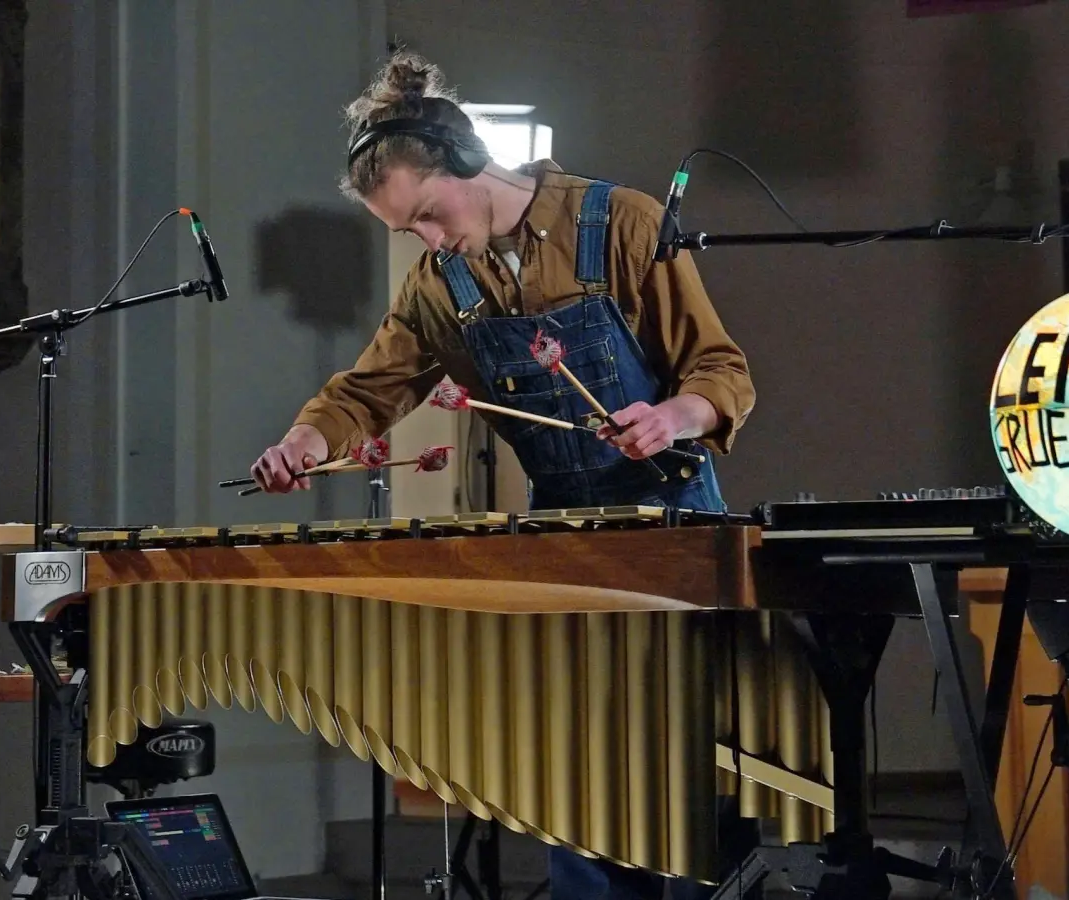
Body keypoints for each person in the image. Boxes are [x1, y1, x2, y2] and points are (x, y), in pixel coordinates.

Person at [249, 52, 759, 900]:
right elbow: (366, 392)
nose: (429, 239)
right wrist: (307, 440)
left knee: (685, 778)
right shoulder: (438, 285)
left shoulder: (622, 222)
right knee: (579, 780)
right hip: (563, 546)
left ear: (466, 162)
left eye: (428, 216)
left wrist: (674, 416)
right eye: (408, 231)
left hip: (676, 533)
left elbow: (721, 371)